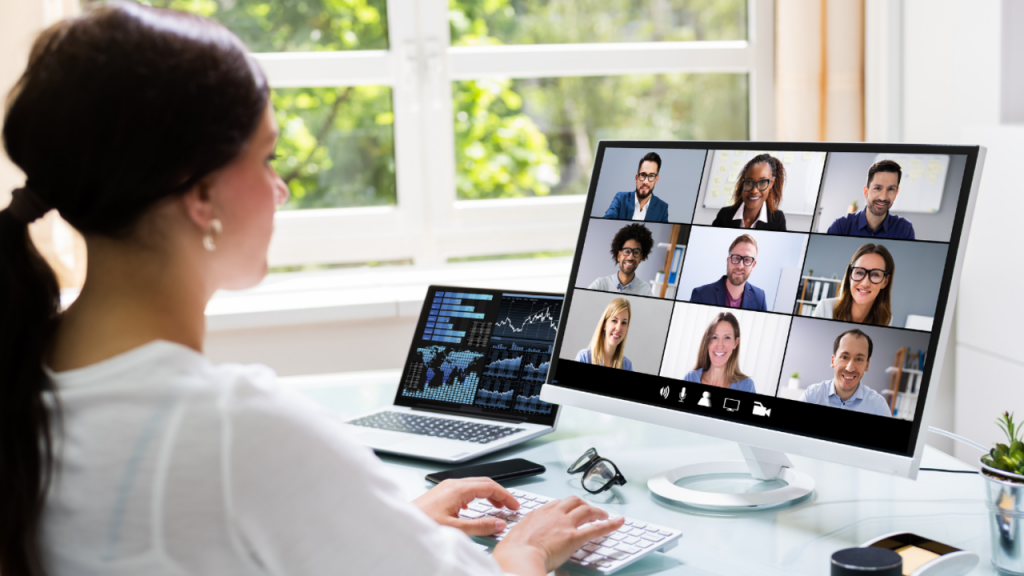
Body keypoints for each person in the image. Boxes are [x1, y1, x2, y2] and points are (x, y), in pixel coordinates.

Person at [0, 6, 623, 576]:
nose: (282, 189)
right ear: (200, 195)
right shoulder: (234, 429)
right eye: (267, 157)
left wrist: (377, 522)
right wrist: (527, 549)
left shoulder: (27, 370)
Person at [798, 329, 892, 417]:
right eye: (844, 357)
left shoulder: (879, 407)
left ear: (867, 365)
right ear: (833, 361)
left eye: (859, 359)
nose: (850, 368)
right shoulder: (812, 396)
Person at [826, 159, 916, 239]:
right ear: (866, 192)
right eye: (877, 188)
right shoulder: (840, 227)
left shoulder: (905, 229)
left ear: (896, 193)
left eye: (891, 189)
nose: (883, 197)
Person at [813, 244, 895, 326]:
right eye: (859, 272)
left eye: (875, 275)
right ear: (850, 275)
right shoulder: (825, 308)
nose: (865, 283)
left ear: (885, 282)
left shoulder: (886, 319)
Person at [689, 234, 768, 311]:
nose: (740, 266)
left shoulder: (760, 298)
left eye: (747, 260)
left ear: (753, 265)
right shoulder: (700, 294)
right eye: (736, 258)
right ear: (728, 261)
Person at [711, 153, 788, 231]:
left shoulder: (778, 219)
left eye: (762, 183)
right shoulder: (724, 214)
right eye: (749, 182)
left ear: (771, 183)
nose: (754, 191)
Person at [682, 312, 755, 393]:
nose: (720, 345)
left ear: (736, 343)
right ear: (707, 341)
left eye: (727, 337)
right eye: (715, 337)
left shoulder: (746, 386)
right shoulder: (690, 378)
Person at [587, 223, 655, 296]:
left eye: (636, 252)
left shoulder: (645, 290)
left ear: (640, 258)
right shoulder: (600, 285)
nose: (630, 257)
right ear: (619, 255)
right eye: (627, 251)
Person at [602, 152, 670, 222]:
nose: (645, 181)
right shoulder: (620, 198)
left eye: (651, 176)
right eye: (643, 175)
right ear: (636, 178)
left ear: (656, 180)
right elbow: (606, 221)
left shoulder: (662, 209)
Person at [575, 298, 633, 371]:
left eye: (624, 323)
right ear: (604, 324)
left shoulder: (627, 365)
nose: (618, 328)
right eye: (614, 320)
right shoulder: (584, 357)